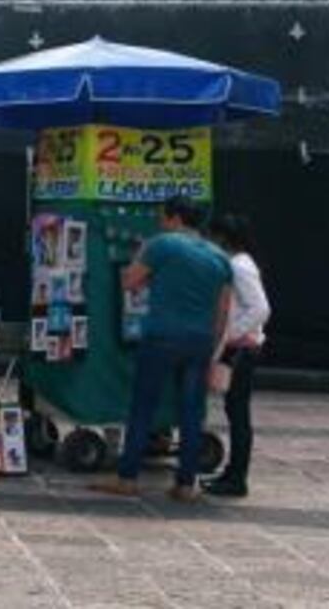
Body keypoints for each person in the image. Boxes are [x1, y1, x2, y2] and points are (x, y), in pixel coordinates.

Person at [92, 196, 232, 502]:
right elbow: (222, 313)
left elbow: (130, 282)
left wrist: (143, 256)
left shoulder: (162, 245)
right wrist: (212, 349)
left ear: (176, 218)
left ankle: (127, 477)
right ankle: (186, 484)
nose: (160, 222)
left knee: (143, 406)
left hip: (162, 336)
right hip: (200, 341)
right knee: (192, 412)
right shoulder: (220, 257)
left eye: (163, 217)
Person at [203, 214, 270, 498]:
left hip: (242, 348)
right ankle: (232, 472)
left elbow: (260, 308)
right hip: (241, 346)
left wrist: (231, 334)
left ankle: (237, 477)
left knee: (238, 412)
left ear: (222, 238)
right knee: (234, 411)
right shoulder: (240, 263)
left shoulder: (239, 267)